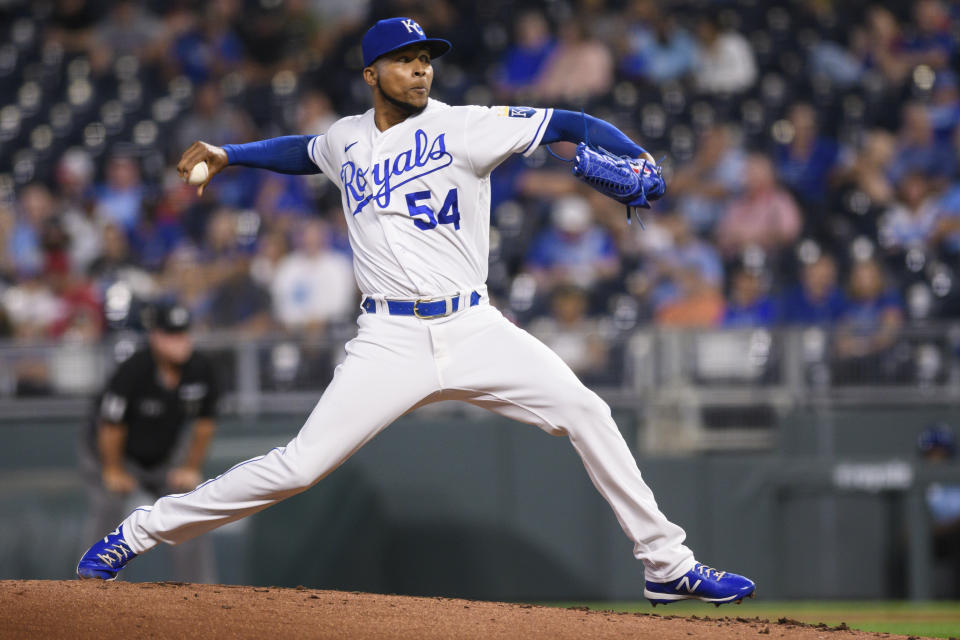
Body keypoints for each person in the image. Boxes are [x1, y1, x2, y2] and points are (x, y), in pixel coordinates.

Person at [77, 17, 755, 606]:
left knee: (588, 412)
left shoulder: (466, 126)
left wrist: (637, 156)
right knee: (297, 467)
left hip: (474, 325)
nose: (422, 68)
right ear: (373, 73)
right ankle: (135, 533)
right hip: (390, 337)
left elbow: (569, 124)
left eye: (427, 58)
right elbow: (303, 153)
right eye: (407, 60)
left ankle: (668, 567)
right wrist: (231, 155)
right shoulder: (346, 140)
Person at [78, 300, 219, 583]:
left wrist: (191, 467)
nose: (181, 342)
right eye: (172, 334)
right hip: (113, 454)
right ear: (155, 336)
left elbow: (204, 425)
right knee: (108, 506)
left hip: (162, 457)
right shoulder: (134, 369)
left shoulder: (200, 369)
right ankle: (90, 586)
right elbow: (110, 425)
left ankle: (201, 593)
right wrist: (113, 470)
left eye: (184, 333)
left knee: (187, 510)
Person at [918, 423, 960, 597]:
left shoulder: (955, 475)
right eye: (931, 453)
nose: (935, 458)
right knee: (905, 549)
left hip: (954, 535)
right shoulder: (921, 479)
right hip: (931, 535)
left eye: (940, 452)